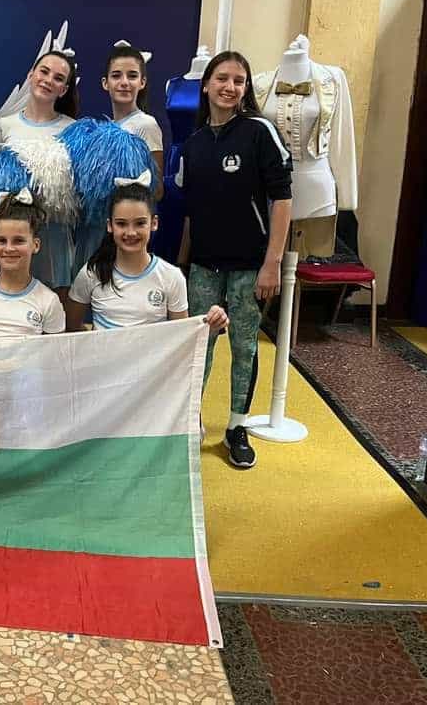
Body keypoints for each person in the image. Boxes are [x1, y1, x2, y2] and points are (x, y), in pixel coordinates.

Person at [177, 51, 292, 470]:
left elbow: (282, 199)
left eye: (238, 80)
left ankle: (236, 427)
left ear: (246, 89)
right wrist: (183, 263)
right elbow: (191, 212)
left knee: (244, 346)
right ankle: (190, 421)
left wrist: (272, 263)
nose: (230, 87)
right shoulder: (193, 144)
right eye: (222, 78)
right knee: (199, 346)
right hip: (204, 266)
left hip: (249, 266)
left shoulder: (259, 131)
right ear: (206, 85)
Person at [66, 179, 228, 331]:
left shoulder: (171, 277)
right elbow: (72, 331)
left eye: (140, 223)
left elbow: (181, 338)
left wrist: (210, 326)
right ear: (110, 226)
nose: (131, 232)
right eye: (121, 224)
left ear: (154, 223)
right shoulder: (92, 273)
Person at [0, 51, 79, 300]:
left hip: (55, 236)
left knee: (54, 307)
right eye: (44, 72)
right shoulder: (3, 126)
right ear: (31, 75)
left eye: (58, 78)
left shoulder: (73, 129)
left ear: (64, 90)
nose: (48, 80)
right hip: (13, 237)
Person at [0, 188, 65, 337]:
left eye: (19, 241)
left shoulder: (49, 301)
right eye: (1, 240)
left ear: (35, 245)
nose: (9, 248)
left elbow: (54, 350)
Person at [103, 43, 165, 200]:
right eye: (116, 76)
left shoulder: (147, 125)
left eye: (132, 76)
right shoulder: (104, 130)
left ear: (142, 82)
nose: (124, 82)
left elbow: (157, 190)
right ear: (105, 83)